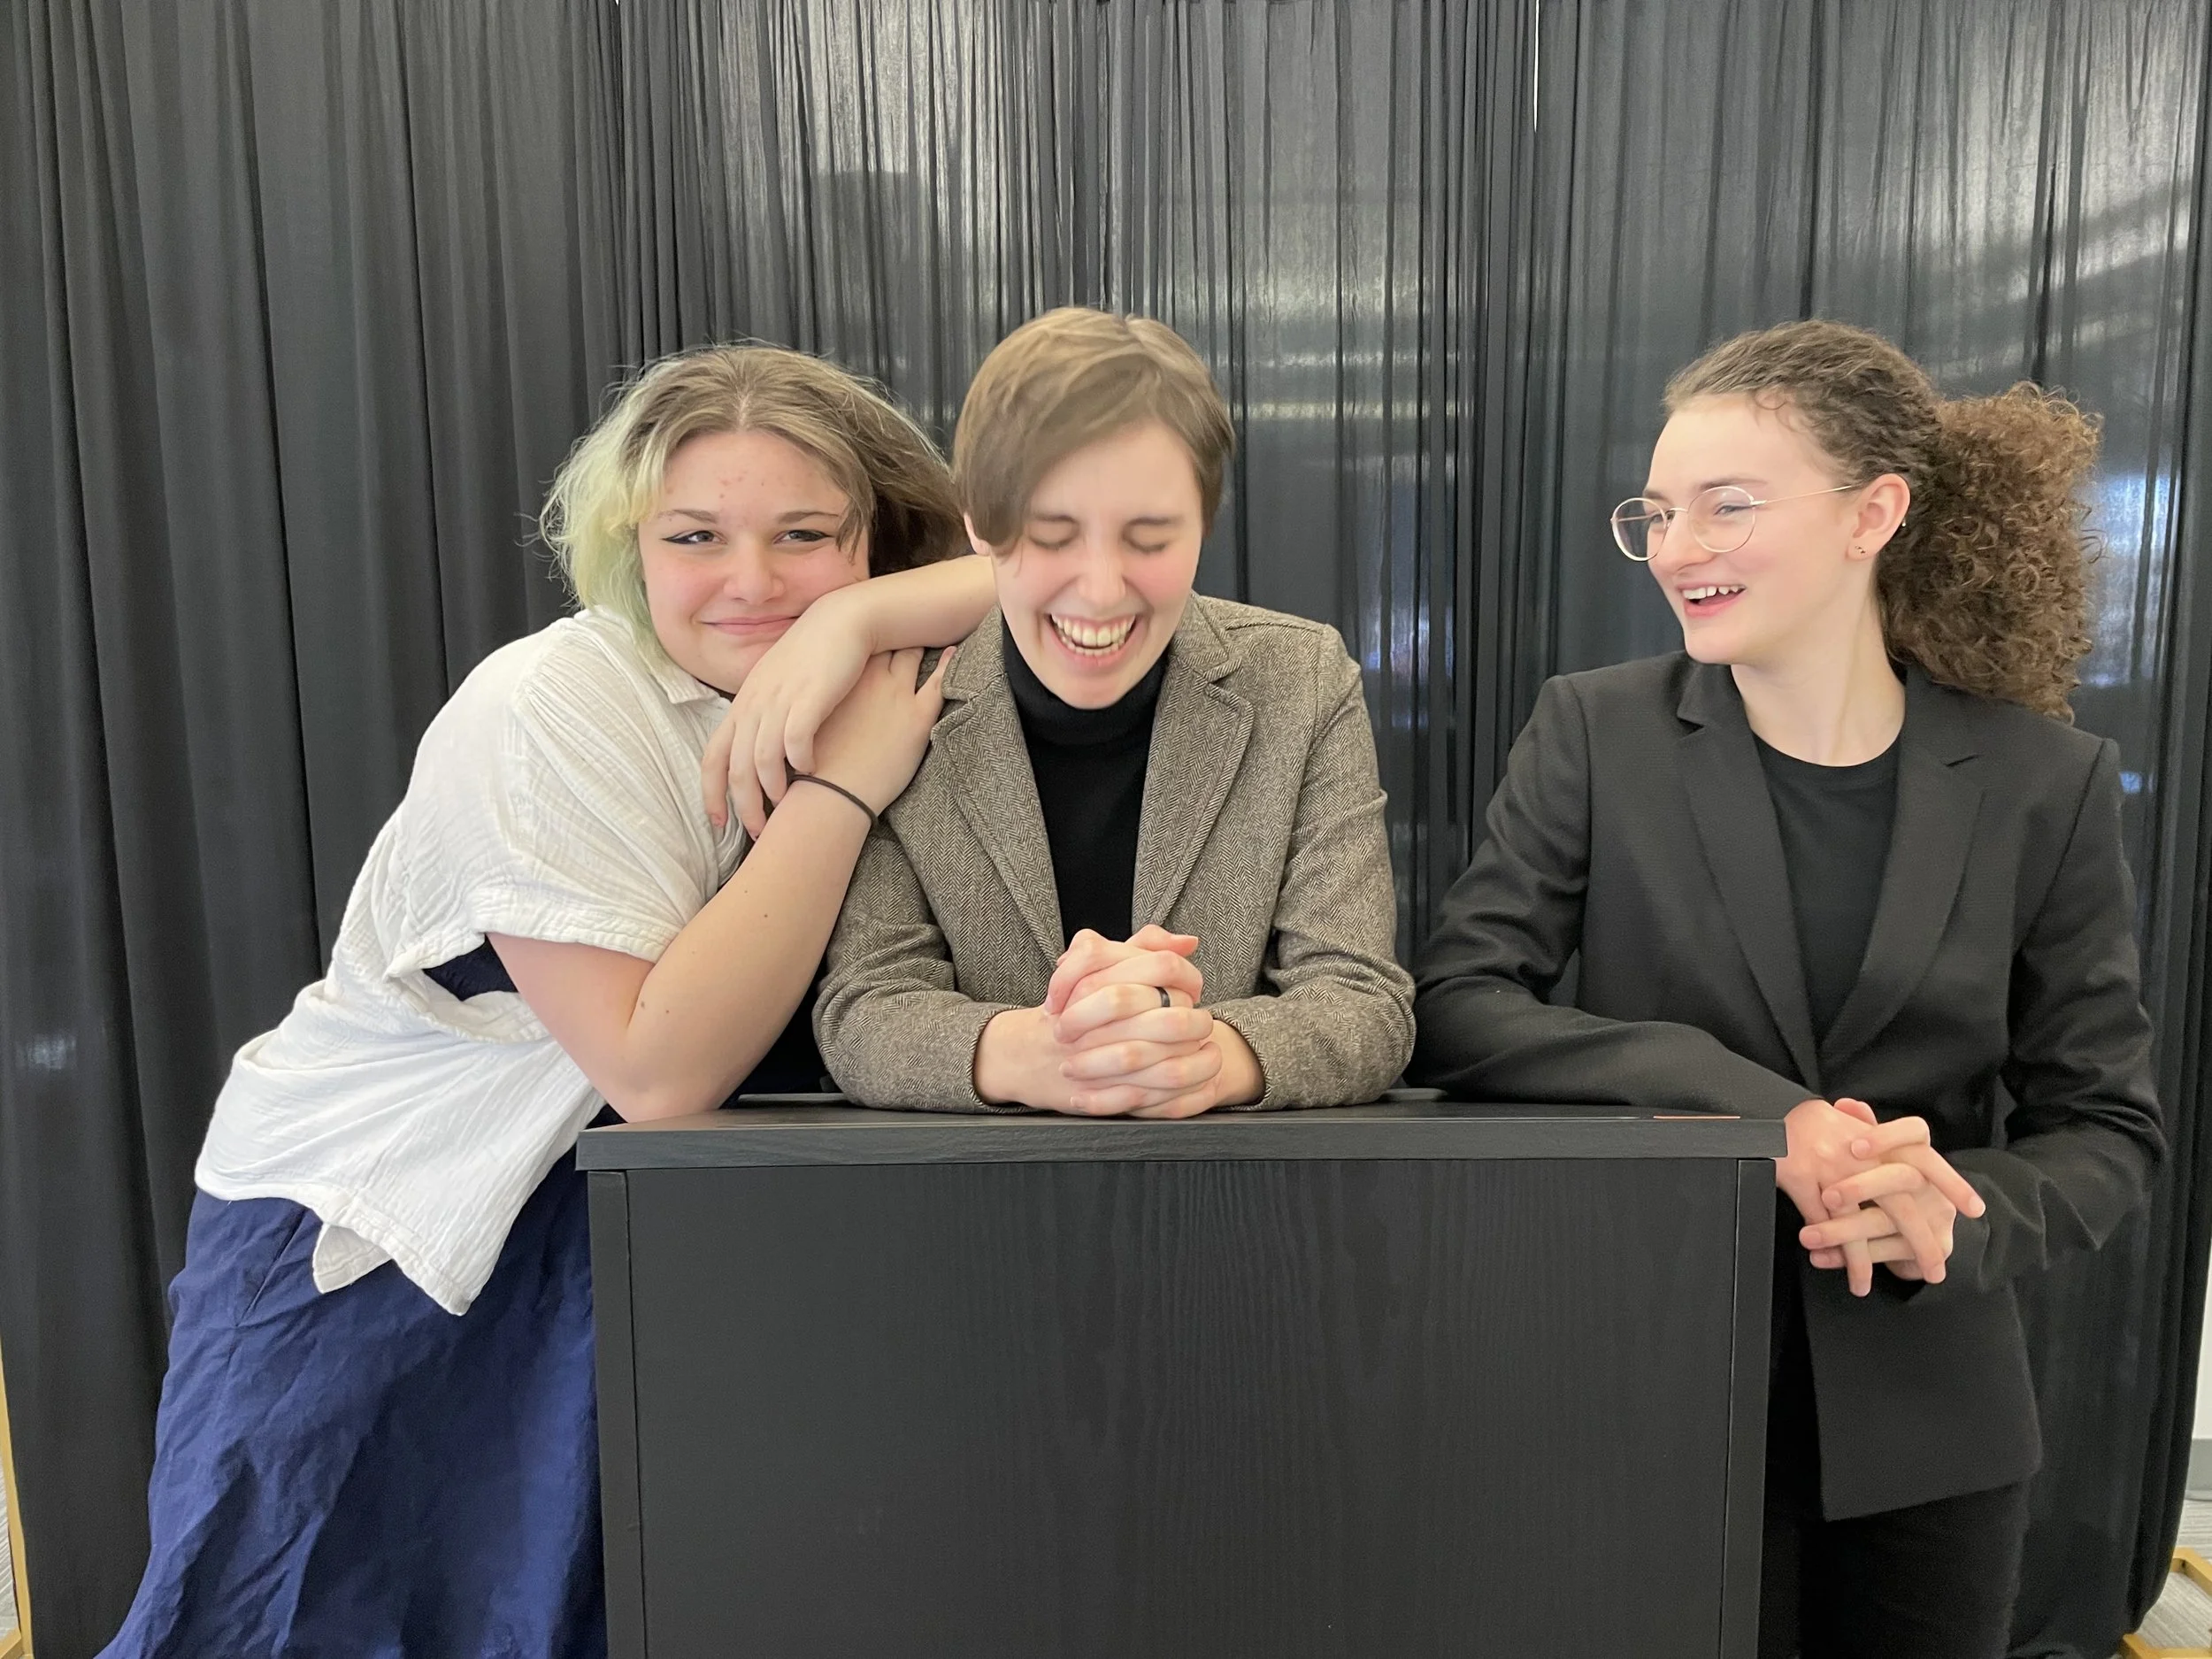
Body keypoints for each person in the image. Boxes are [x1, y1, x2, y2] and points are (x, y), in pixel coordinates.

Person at [100, 343, 998, 1659]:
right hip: (379, 1233)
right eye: (696, 536)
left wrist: (856, 624)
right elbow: (656, 1067)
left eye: (804, 536)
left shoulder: (856, 664)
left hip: (588, 1220)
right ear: (631, 544)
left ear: (873, 541)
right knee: (291, 1620)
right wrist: (840, 788)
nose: (753, 581)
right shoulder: (549, 704)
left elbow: (1070, 576)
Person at [1410, 319, 2162, 1658]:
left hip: (1932, 1428)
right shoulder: (1595, 731)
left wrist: (1957, 1215)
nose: (1677, 547)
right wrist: (1764, 1114)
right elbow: (1462, 1001)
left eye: (1728, 505)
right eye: (1658, 512)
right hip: (1644, 1386)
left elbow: (2107, 1129)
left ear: (1874, 513)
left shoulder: (2044, 784)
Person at [810, 307, 1414, 1117]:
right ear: (978, 524)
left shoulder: (1301, 680)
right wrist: (1039, 1052)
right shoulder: (898, 697)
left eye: (1150, 539)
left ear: (1204, 526)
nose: (1099, 589)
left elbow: (1364, 1002)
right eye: (1052, 535)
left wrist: (1191, 1053)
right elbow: (863, 1008)